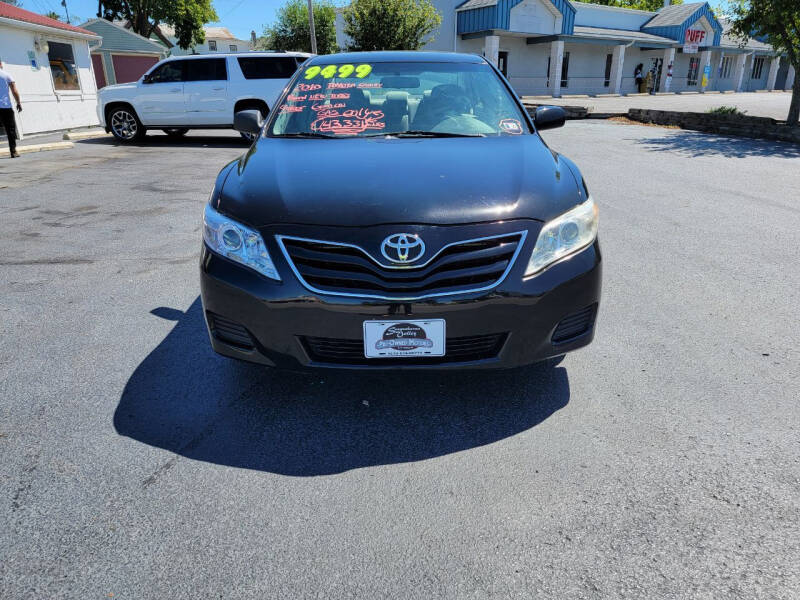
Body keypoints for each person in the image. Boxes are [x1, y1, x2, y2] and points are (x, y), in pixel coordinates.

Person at [0, 57, 23, 159]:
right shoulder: (7, 75)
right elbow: (14, 91)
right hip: (5, 107)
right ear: (0, 64)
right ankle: (13, 151)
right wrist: (18, 103)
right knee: (10, 129)